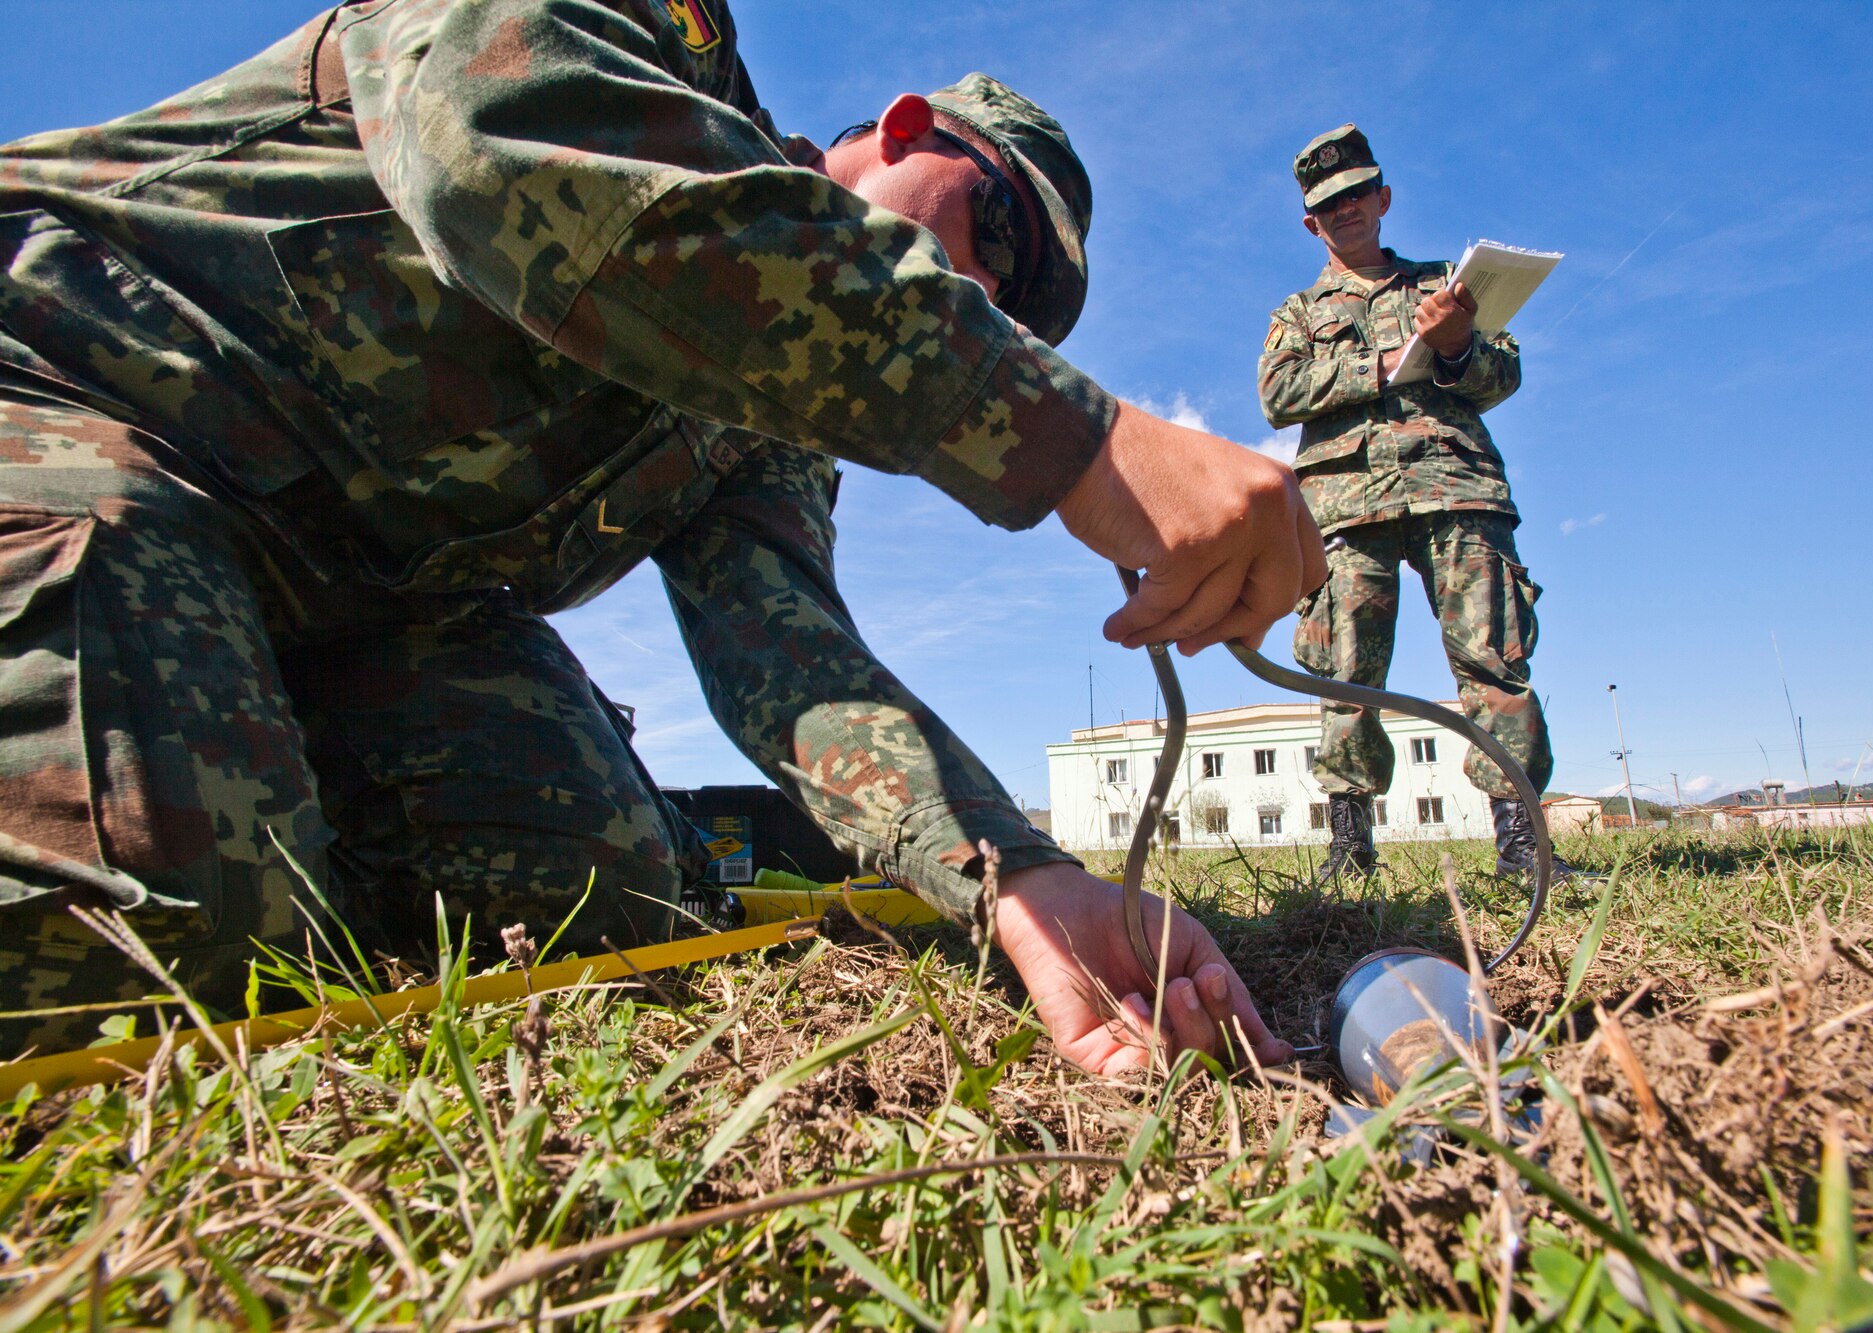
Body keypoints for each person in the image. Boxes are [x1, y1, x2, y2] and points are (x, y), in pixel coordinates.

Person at [0, 0, 1326, 1074]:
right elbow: (494, 157)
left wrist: (1020, 874)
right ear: (908, 128)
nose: (984, 289)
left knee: (599, 888)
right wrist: (1064, 431)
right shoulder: (634, 37)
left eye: (1015, 309)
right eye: (1000, 230)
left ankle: (232, 763)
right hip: (62, 400)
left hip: (341, 606)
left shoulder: (773, 429)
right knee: (155, 938)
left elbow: (794, 663)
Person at [1257, 124, 1576, 884]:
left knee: (1494, 662)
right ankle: (1350, 846)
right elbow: (1278, 393)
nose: (1346, 210)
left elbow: (1502, 377)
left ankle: (1523, 849)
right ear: (1311, 221)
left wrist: (1461, 343)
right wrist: (1389, 364)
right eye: (1328, 204)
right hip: (1346, 507)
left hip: (1456, 488)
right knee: (1345, 674)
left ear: (1383, 197)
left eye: (1357, 194)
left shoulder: (1448, 286)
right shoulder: (1298, 313)